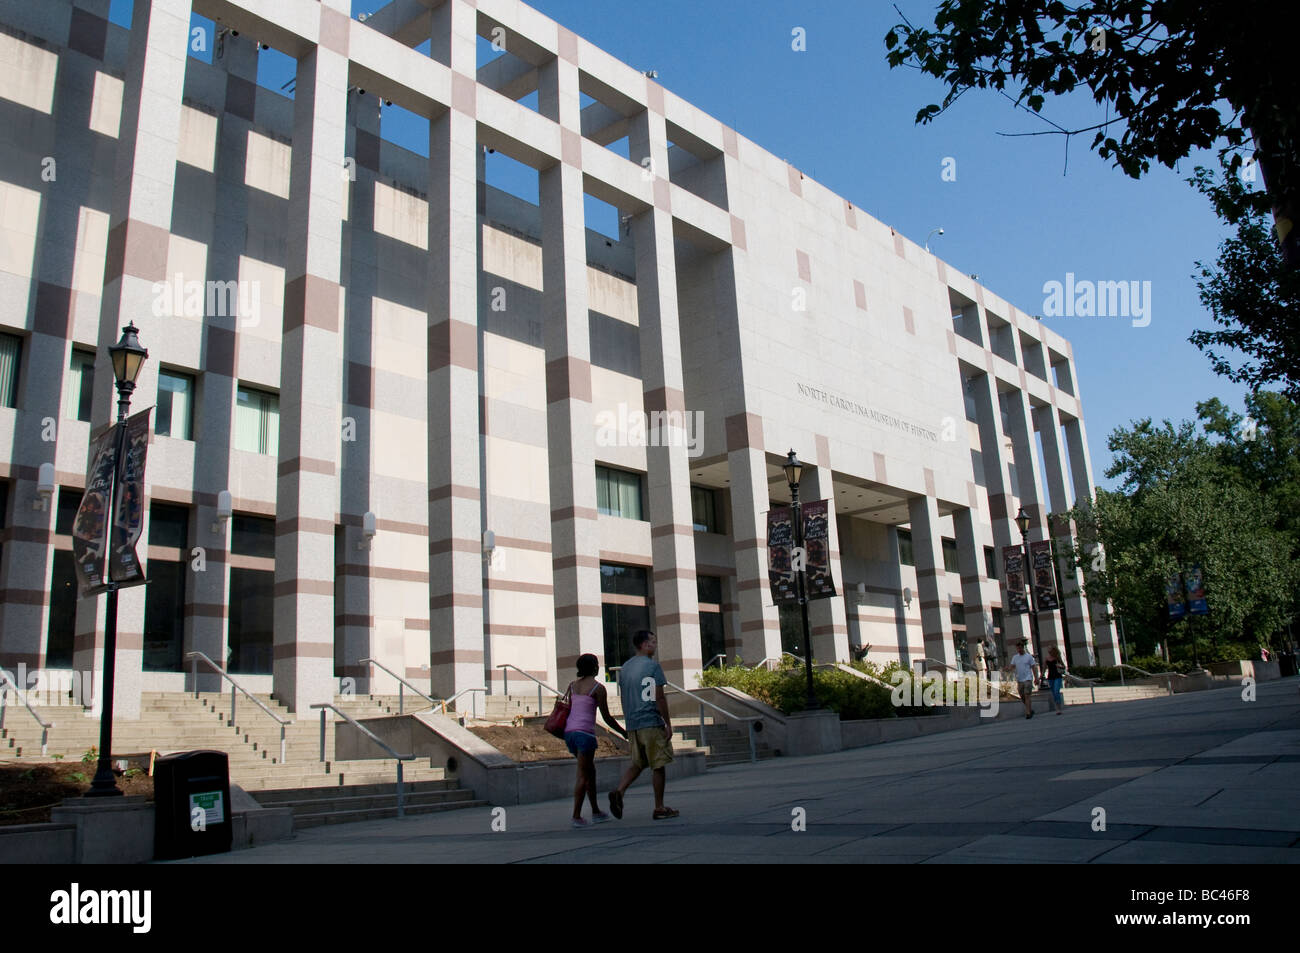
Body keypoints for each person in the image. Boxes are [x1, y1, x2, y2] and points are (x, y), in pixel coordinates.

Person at [609, 630, 678, 820]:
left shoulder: (625, 668)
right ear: (644, 644)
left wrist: (628, 720)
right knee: (658, 764)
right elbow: (659, 697)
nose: (655, 645)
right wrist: (667, 723)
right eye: (653, 642)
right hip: (650, 720)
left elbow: (624, 696)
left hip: (633, 723)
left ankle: (619, 791)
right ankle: (659, 807)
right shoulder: (653, 666)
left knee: (639, 762)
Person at [563, 653, 626, 828]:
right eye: (597, 664)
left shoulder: (572, 686)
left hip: (570, 734)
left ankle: (596, 811)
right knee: (583, 775)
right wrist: (623, 732)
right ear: (594, 667)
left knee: (590, 772)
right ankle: (576, 815)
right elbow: (606, 717)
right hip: (585, 734)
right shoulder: (598, 688)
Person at [1005, 639, 1040, 719]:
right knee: (1022, 696)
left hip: (1028, 679)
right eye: (1017, 648)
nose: (1019, 650)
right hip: (1020, 679)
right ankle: (1030, 709)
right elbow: (1012, 666)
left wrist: (1036, 678)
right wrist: (1007, 669)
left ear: (1023, 648)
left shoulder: (1028, 657)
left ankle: (1028, 713)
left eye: (1020, 648)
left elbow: (1034, 667)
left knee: (1027, 695)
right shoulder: (1015, 657)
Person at [1044, 646, 1067, 715]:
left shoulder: (1057, 658)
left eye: (1050, 649)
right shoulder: (1046, 658)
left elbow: (1064, 666)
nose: (1049, 650)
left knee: (1056, 691)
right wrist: (1041, 675)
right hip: (1050, 677)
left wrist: (1059, 666)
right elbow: (1044, 667)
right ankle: (1057, 706)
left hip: (1057, 676)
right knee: (1054, 693)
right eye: (1048, 649)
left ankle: (1058, 708)